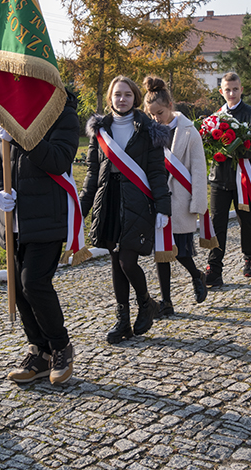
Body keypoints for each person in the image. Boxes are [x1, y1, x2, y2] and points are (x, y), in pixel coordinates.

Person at [0, 90, 79, 385]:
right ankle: (39, 352)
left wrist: (22, 135)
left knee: (33, 283)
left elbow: (58, 160)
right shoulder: (6, 110)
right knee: (17, 287)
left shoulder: (63, 114)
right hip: (13, 218)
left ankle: (60, 346)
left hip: (47, 216)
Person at [80, 76, 171, 343]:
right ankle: (123, 322)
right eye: (117, 94)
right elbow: (92, 173)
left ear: (135, 98)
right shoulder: (100, 130)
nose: (122, 99)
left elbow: (156, 172)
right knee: (116, 262)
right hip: (108, 200)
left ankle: (146, 303)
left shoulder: (148, 129)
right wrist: (81, 208)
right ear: (110, 98)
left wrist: (162, 208)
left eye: (127, 94)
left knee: (126, 260)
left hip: (137, 202)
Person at [143, 76, 209, 314]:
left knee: (181, 251)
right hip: (159, 201)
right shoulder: (150, 132)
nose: (156, 118)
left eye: (159, 113)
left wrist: (198, 204)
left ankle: (197, 275)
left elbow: (199, 170)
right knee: (161, 254)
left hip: (182, 201)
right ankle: (167, 302)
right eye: (151, 115)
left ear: (170, 105)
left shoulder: (190, 133)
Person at [205, 72, 251, 286]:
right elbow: (208, 146)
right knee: (217, 223)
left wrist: (241, 148)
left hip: (243, 178)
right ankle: (215, 268)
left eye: (235, 89)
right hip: (219, 177)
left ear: (241, 89)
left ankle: (250, 257)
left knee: (246, 221)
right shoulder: (214, 117)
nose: (231, 93)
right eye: (227, 90)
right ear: (221, 91)